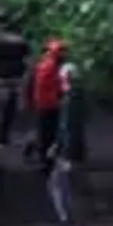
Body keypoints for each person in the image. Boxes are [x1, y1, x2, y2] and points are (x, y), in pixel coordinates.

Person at [48, 61, 88, 226]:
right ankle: (73, 225)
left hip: (69, 151)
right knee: (69, 187)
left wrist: (66, 154)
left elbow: (69, 129)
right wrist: (56, 145)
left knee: (59, 187)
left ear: (65, 78)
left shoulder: (69, 100)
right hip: (72, 149)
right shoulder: (77, 98)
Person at [24, 38, 67, 173]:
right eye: (61, 51)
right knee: (48, 133)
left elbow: (31, 83)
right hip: (49, 104)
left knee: (45, 131)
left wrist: (29, 100)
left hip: (43, 103)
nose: (64, 54)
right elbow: (58, 86)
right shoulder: (52, 66)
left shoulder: (41, 64)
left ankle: (40, 154)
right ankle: (45, 161)